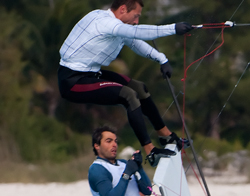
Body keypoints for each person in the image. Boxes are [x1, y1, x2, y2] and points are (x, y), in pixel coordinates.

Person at [59, 0, 193, 166]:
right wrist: (173, 28)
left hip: (91, 74)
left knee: (139, 88)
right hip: (72, 82)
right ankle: (150, 151)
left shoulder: (115, 25)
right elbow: (139, 32)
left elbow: (134, 42)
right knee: (128, 95)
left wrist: (161, 59)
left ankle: (166, 136)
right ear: (122, 9)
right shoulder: (106, 23)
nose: (136, 21)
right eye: (135, 16)